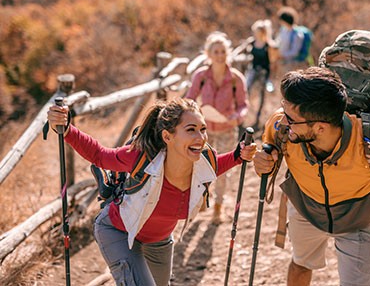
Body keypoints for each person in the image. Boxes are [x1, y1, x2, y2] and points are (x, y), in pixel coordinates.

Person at [47, 97, 256, 286]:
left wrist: (239, 155)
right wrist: (66, 128)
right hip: (119, 231)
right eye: (191, 129)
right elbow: (100, 155)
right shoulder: (142, 157)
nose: (201, 137)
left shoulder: (204, 161)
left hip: (160, 241)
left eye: (203, 129)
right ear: (167, 136)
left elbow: (217, 165)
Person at [253, 67, 370, 286]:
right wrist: (262, 164)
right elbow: (268, 160)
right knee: (301, 264)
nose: (283, 121)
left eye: (291, 118)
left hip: (358, 218)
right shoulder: (282, 127)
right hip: (306, 208)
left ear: (321, 128)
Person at [185, 31, 249, 224]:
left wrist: (236, 118)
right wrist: (194, 113)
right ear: (208, 54)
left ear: (227, 53)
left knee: (221, 170)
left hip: (227, 131)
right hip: (201, 132)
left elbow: (243, 105)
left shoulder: (236, 78)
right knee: (198, 166)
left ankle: (218, 207)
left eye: (223, 51)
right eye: (216, 51)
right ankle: (203, 199)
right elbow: (189, 98)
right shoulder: (201, 76)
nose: (220, 55)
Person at [245, 19, 278, 129]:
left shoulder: (268, 45)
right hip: (253, 70)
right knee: (246, 88)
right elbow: (243, 51)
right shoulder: (252, 42)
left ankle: (258, 116)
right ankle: (245, 112)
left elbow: (273, 61)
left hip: (264, 72)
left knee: (262, 93)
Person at [275, 6, 307, 77]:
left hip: (292, 64)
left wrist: (282, 55)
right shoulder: (283, 30)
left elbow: (295, 52)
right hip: (283, 62)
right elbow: (278, 42)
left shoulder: (297, 34)